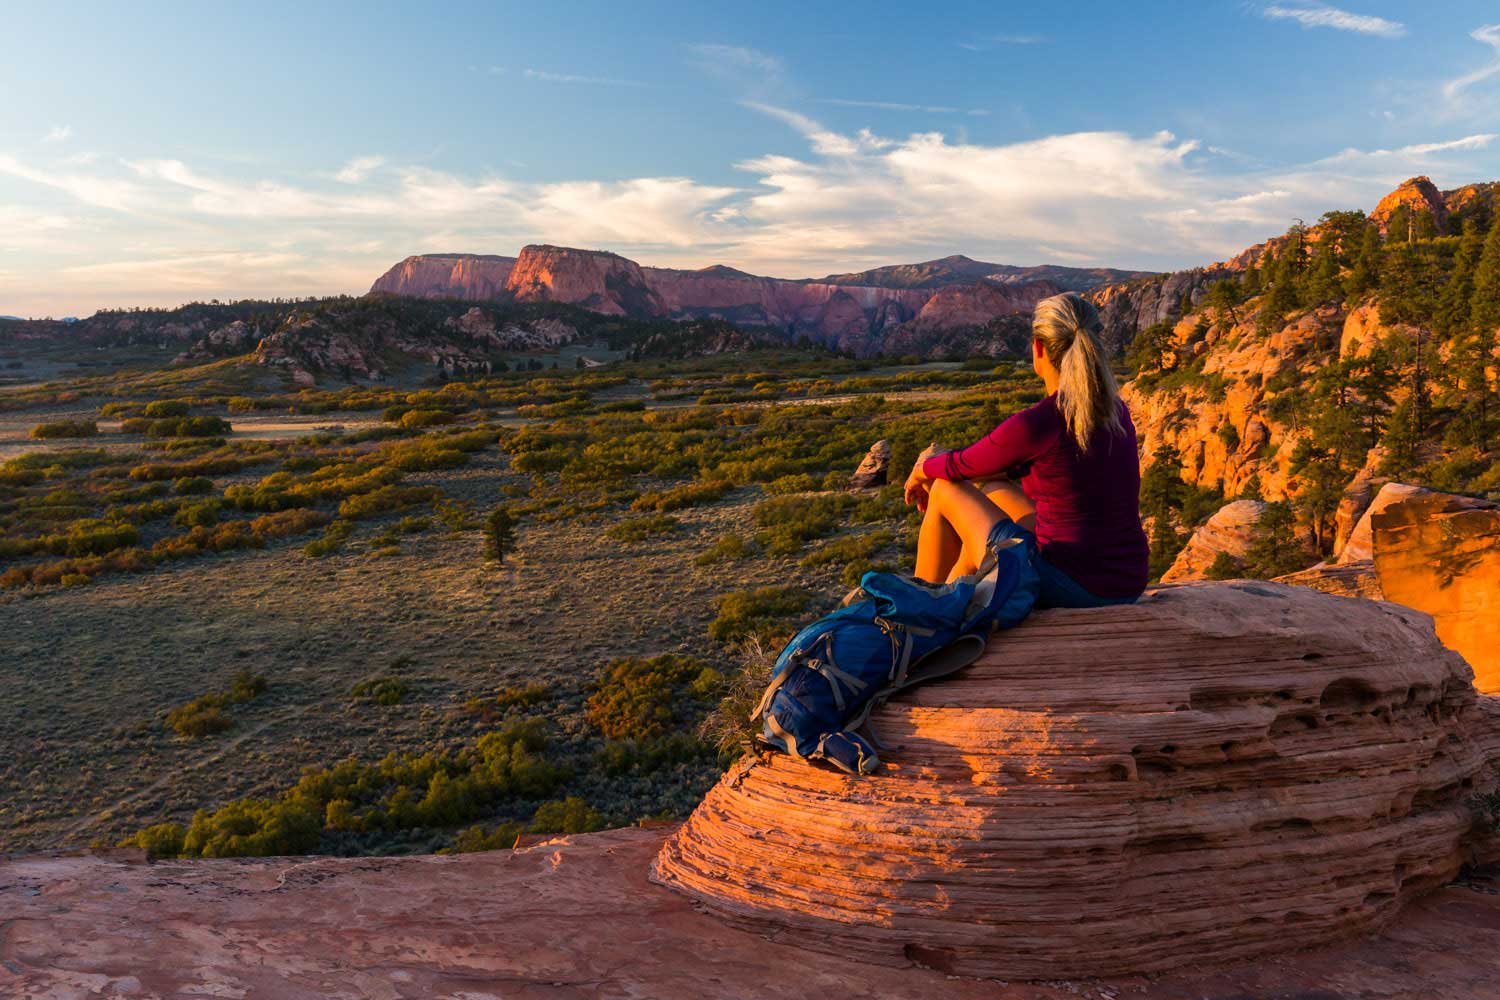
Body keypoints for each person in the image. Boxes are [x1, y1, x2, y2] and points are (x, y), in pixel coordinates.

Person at [902, 291, 1149, 608]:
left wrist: (922, 469)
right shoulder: (1115, 410)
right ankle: (954, 590)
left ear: (1038, 348)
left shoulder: (1039, 423)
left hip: (1073, 586)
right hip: (1128, 580)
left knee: (944, 490)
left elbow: (960, 465)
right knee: (993, 489)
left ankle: (916, 610)